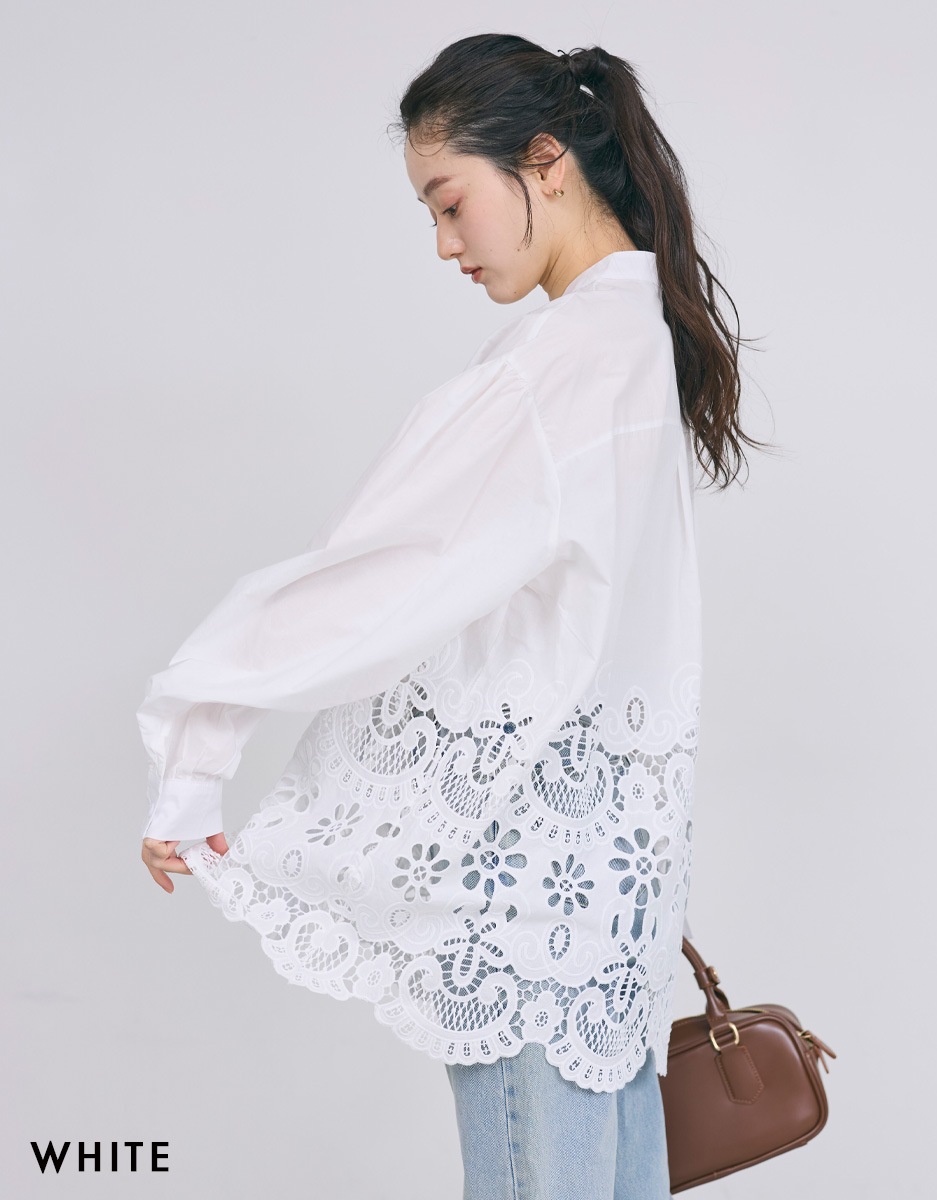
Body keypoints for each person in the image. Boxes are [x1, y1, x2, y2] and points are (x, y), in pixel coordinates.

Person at [139, 34, 767, 1200]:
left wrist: (197, 734)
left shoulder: (560, 369)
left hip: (528, 920)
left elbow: (379, 579)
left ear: (545, 162)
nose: (443, 243)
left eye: (448, 201)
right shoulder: (639, 339)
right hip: (604, 921)